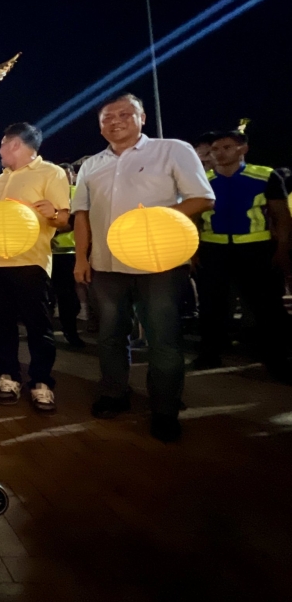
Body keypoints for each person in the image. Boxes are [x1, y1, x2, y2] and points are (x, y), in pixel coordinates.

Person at [73, 93, 214, 442]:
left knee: (163, 338)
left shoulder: (173, 150)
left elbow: (202, 197)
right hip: (106, 265)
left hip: (160, 263)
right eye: (108, 117)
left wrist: (156, 223)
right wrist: (81, 258)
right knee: (109, 336)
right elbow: (81, 215)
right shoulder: (91, 165)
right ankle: (114, 393)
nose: (116, 121)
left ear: (143, 117)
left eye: (125, 114)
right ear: (100, 125)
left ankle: (165, 408)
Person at [0, 123, 70, 413]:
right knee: (2, 325)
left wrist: (53, 214)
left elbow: (64, 219)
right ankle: (9, 375)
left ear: (14, 144)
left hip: (29, 263)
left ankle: (41, 382)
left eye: (2, 145)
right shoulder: (2, 178)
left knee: (38, 326)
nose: (0, 151)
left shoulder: (51, 173)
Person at [194, 131, 291, 373]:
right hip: (213, 250)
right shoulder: (201, 181)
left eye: (227, 147)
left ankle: (277, 359)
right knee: (210, 306)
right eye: (215, 148)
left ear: (242, 149)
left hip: (256, 249)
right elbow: (193, 219)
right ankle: (210, 354)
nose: (219, 152)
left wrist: (282, 249)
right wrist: (194, 252)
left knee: (267, 306)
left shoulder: (265, 176)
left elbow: (281, 215)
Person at [51, 164, 85, 348]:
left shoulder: (77, 192)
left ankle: (71, 332)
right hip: (55, 254)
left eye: (66, 175)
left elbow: (74, 221)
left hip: (77, 252)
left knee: (71, 298)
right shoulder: (48, 195)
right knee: (59, 297)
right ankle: (63, 334)